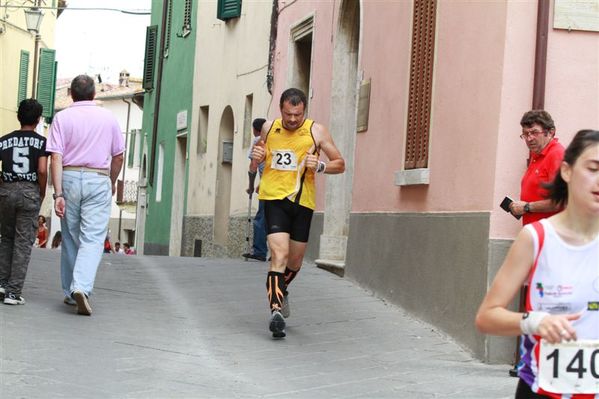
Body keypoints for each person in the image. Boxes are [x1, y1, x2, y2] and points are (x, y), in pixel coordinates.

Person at [476, 130, 599, 399]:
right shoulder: (537, 238)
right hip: (543, 389)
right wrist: (535, 322)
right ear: (566, 171)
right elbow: (487, 317)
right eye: (593, 168)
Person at [251, 88, 345, 338]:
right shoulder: (269, 129)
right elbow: (256, 161)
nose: (292, 119)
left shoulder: (317, 131)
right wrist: (255, 158)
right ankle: (275, 313)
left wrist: (322, 165)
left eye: (297, 114)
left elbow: (340, 164)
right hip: (273, 198)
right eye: (288, 114)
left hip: (302, 202)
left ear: (304, 110)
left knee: (294, 262)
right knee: (278, 255)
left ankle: (282, 290)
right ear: (280, 109)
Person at [47, 74, 125, 316]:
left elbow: (55, 157)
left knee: (70, 236)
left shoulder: (62, 118)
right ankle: (81, 286)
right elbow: (119, 156)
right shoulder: (108, 118)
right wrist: (111, 181)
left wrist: (58, 193)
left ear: (71, 94)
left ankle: (72, 293)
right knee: (92, 239)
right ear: (94, 94)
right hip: (98, 177)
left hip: (69, 177)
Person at [0, 99, 48, 305]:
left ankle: (1, 284)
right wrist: (41, 192)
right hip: (29, 192)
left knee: (6, 238)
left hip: (6, 191)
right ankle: (13, 292)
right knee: (23, 242)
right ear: (38, 120)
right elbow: (43, 170)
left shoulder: (3, 140)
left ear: (18, 116)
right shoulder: (42, 143)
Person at [509, 110, 565, 224]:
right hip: (536, 233)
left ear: (550, 132)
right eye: (526, 134)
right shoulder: (537, 156)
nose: (529, 139)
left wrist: (527, 207)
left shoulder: (556, 154)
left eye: (534, 132)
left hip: (549, 235)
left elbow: (561, 201)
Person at [242, 118, 268, 262]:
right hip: (282, 186)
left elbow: (253, 166)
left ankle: (259, 251)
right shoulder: (275, 139)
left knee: (260, 219)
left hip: (268, 187)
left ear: (255, 129)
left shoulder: (258, 141)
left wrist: (251, 186)